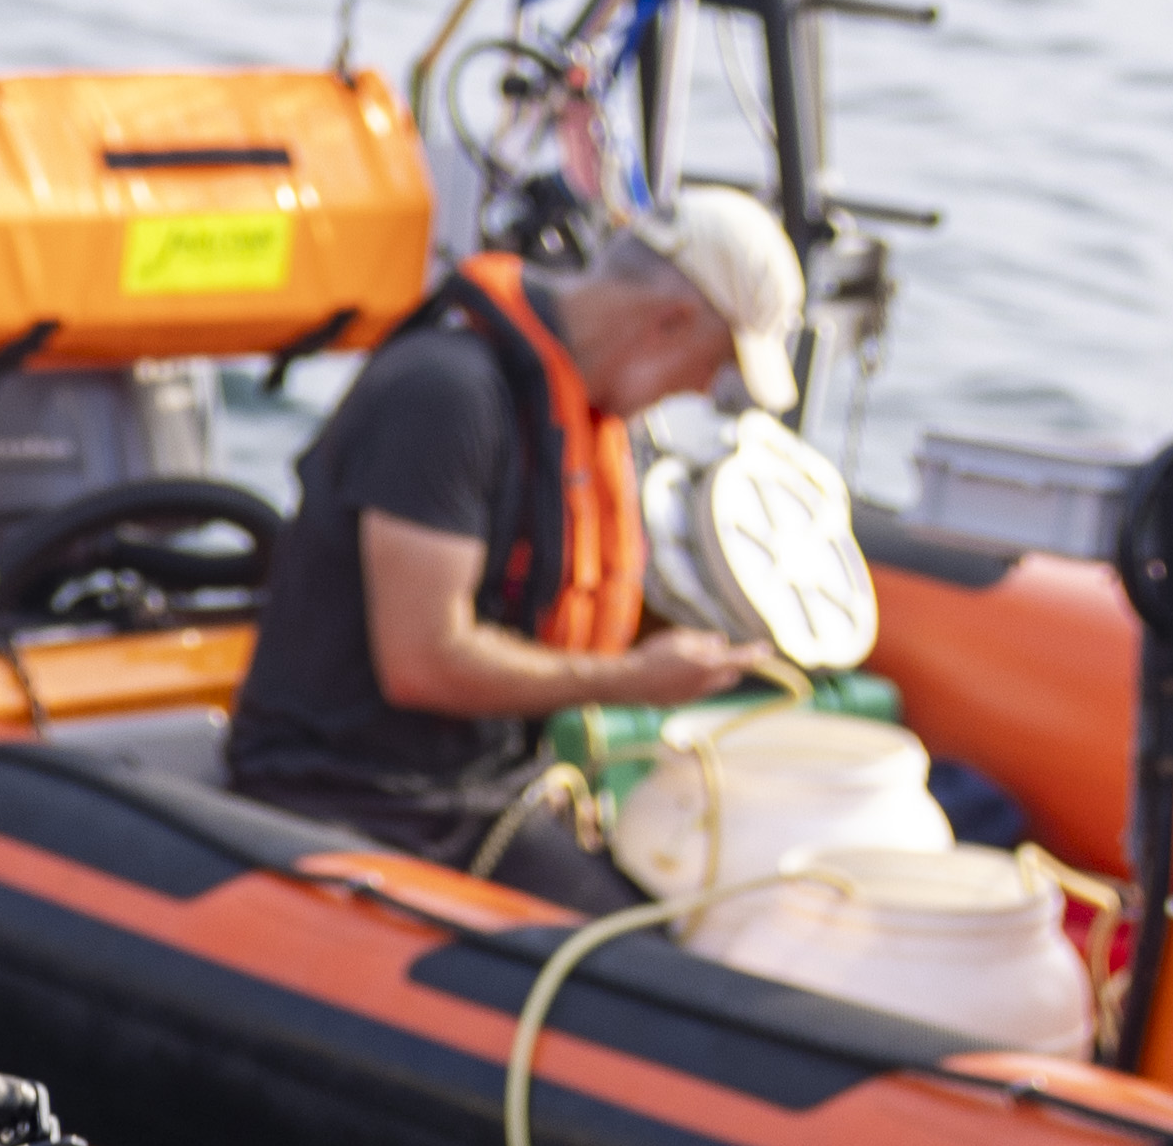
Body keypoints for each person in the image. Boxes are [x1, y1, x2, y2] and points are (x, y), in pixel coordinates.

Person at [216, 183, 807, 889]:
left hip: (482, 793)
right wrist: (636, 682)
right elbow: (423, 660)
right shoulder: (445, 398)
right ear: (669, 324)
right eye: (718, 370)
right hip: (352, 797)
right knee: (614, 967)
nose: (704, 394)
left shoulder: (575, 414)